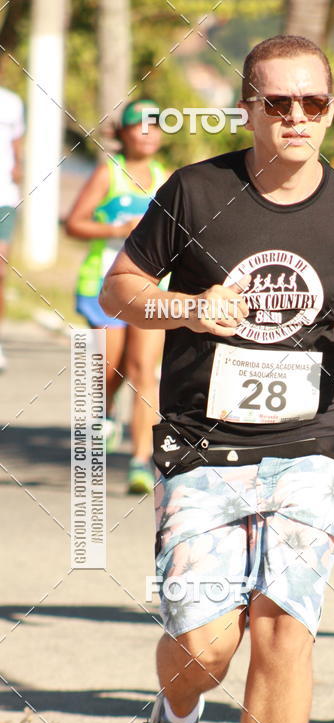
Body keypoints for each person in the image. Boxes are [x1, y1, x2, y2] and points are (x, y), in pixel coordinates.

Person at [100, 35, 334, 723]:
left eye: (313, 103)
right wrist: (190, 306)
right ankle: (176, 713)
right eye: (280, 103)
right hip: (202, 446)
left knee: (285, 627)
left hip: (306, 447)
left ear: (330, 110)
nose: (298, 118)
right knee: (206, 644)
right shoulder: (197, 189)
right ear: (249, 108)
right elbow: (120, 290)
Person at [66, 99, 167, 494]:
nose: (148, 133)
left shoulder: (167, 178)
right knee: (113, 369)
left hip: (152, 290)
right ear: (122, 133)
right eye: (139, 125)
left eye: (155, 125)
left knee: (144, 371)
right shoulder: (108, 174)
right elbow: (74, 223)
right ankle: (106, 414)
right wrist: (116, 230)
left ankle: (142, 460)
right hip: (105, 287)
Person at [0, 82, 25, 372]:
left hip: (4, 198)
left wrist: (17, 168)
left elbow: (17, 145)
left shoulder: (12, 101)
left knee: (1, 269)